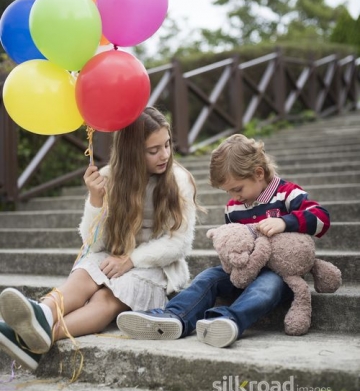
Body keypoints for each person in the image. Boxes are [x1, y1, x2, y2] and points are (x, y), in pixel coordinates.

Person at [0, 107, 199, 373]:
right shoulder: (109, 178)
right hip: (115, 255)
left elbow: (179, 243)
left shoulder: (179, 180)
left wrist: (131, 261)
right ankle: (44, 313)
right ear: (132, 153)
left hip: (157, 269)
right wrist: (95, 200)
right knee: (85, 271)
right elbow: (93, 245)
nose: (164, 155)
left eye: (167, 145)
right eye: (153, 150)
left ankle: (32, 339)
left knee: (106, 297)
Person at [117, 133, 331, 348]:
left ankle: (228, 320)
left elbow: (321, 217)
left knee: (266, 286)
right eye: (227, 191)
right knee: (208, 277)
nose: (234, 197)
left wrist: (285, 222)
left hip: (280, 274)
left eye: (237, 189)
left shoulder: (287, 194)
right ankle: (175, 316)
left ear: (258, 173)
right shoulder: (233, 207)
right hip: (243, 270)